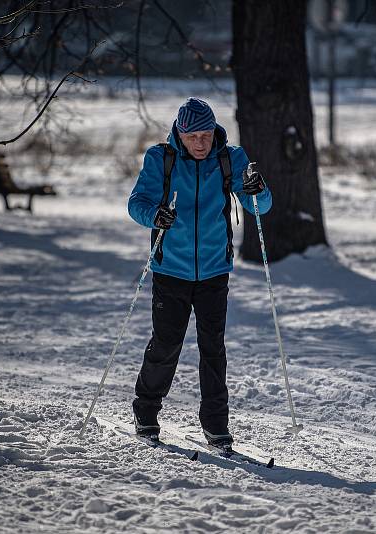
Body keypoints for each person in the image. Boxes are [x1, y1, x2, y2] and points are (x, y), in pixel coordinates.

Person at [127, 98, 272, 448]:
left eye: (207, 134)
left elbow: (260, 207)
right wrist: (155, 215)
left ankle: (215, 424)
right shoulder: (160, 159)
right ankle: (146, 411)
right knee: (166, 344)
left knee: (213, 348)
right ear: (180, 133)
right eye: (194, 136)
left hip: (213, 270)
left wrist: (258, 189)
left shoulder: (229, 157)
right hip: (170, 269)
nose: (202, 143)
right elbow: (137, 204)